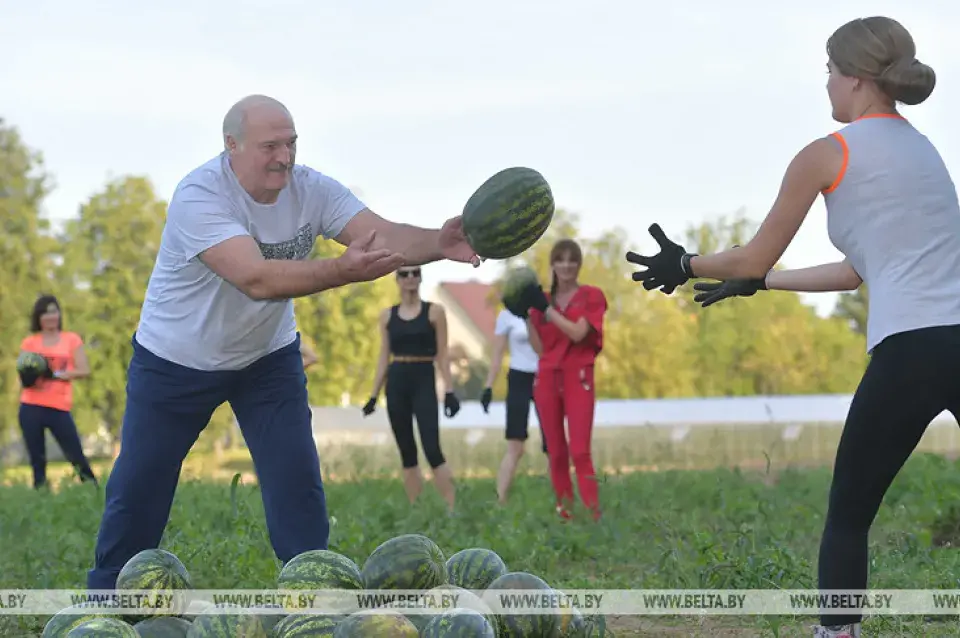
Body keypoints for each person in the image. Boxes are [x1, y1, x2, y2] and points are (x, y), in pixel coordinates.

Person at [624, 16, 946, 638]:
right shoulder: (923, 150)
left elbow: (751, 254)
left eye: (829, 70)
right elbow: (855, 272)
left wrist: (685, 263)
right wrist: (763, 284)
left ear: (853, 79)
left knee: (849, 517)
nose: (825, 83)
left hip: (909, 349)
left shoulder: (830, 152)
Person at [86, 94, 480, 589]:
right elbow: (256, 279)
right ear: (231, 146)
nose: (285, 157)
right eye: (270, 146)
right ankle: (108, 597)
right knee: (141, 483)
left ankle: (314, 594)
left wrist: (439, 244)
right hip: (176, 360)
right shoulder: (200, 196)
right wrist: (340, 270)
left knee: (296, 478)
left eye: (291, 144)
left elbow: (380, 233)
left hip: (266, 359)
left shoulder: (311, 189)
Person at [504, 239, 608, 521]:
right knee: (556, 452)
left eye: (572, 259)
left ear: (579, 264)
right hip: (547, 377)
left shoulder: (590, 296)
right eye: (560, 260)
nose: (566, 265)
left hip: (579, 375)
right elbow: (539, 349)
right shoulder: (541, 302)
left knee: (579, 450)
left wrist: (546, 310)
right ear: (552, 265)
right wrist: (526, 315)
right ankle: (565, 513)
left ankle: (592, 514)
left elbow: (577, 333)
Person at [362, 266, 461, 511]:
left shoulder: (434, 312)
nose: (410, 278)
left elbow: (442, 354)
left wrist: (449, 391)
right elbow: (383, 355)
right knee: (407, 450)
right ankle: (416, 510)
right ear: (397, 279)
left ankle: (452, 508)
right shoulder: (387, 316)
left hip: (423, 378)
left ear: (420, 277)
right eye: (404, 274)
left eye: (415, 273)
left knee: (432, 448)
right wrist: (373, 395)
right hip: (397, 381)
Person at [16, 295, 98, 490]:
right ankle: (42, 497)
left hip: (58, 407)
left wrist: (57, 374)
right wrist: (30, 375)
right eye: (45, 312)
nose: (50, 316)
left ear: (59, 314)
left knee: (75, 455)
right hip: (31, 406)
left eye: (54, 311)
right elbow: (22, 371)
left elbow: (84, 370)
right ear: (39, 317)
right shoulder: (30, 342)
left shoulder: (71, 340)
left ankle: (93, 490)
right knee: (37, 459)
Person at [481, 306, 547, 504]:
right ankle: (500, 500)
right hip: (518, 378)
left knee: (552, 444)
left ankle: (560, 499)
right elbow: (498, 353)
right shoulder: (506, 315)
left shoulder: (544, 310)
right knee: (515, 444)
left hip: (543, 375)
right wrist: (488, 386)